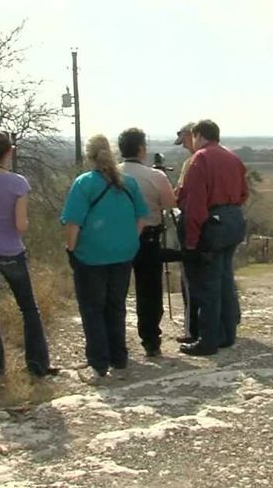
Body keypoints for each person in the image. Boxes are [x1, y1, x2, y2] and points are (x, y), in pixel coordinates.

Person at [0, 132, 56, 377]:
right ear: (10, 151)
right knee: (28, 308)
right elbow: (20, 225)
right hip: (9, 249)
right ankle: (37, 365)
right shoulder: (18, 183)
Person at [61, 134, 149, 377]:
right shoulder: (128, 183)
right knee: (116, 306)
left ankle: (99, 361)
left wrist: (71, 249)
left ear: (90, 156)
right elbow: (142, 217)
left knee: (92, 308)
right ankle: (119, 356)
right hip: (123, 254)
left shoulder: (84, 183)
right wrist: (130, 240)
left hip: (90, 256)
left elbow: (72, 223)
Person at [176, 119, 248, 356]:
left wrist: (191, 241)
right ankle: (227, 335)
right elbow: (243, 193)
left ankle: (208, 339)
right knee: (226, 279)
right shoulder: (233, 157)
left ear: (198, 135)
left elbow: (196, 205)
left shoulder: (201, 159)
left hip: (213, 222)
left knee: (208, 283)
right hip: (234, 220)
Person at [117, 128, 176, 357]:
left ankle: (116, 342)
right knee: (149, 291)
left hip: (118, 236)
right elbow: (170, 203)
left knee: (116, 290)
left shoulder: (112, 174)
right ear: (142, 149)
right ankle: (151, 339)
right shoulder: (155, 176)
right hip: (149, 237)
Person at [172, 121, 199, 343]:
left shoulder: (195, 162)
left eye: (185, 141)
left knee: (190, 278)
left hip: (192, 222)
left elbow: (182, 194)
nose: (184, 146)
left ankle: (194, 329)